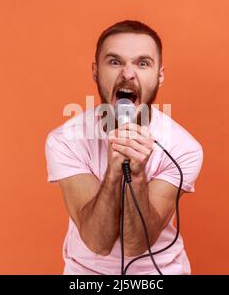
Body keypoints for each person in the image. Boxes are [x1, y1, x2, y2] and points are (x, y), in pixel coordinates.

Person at [45, 20, 204, 275]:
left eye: (142, 63)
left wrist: (137, 173)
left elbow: (135, 244)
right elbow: (98, 241)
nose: (128, 74)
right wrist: (114, 172)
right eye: (115, 61)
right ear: (96, 72)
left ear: (159, 75)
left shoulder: (183, 148)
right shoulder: (65, 140)